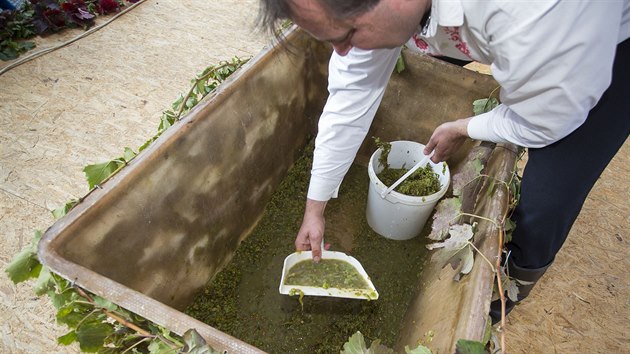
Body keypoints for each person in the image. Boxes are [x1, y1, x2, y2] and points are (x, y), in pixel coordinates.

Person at [258, 0, 630, 321]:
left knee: (548, 199)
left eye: (348, 35)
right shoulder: (376, 15)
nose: (341, 51)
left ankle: (500, 296)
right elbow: (349, 97)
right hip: (464, 23)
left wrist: (466, 127)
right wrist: (315, 208)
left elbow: (549, 119)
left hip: (605, 48)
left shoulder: (528, 19)